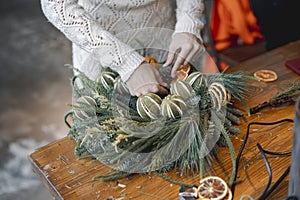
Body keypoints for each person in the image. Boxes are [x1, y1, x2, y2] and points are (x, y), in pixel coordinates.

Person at [40, 0, 206, 97]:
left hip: (169, 45)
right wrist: (126, 63)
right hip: (101, 53)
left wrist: (188, 23)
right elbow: (57, 5)